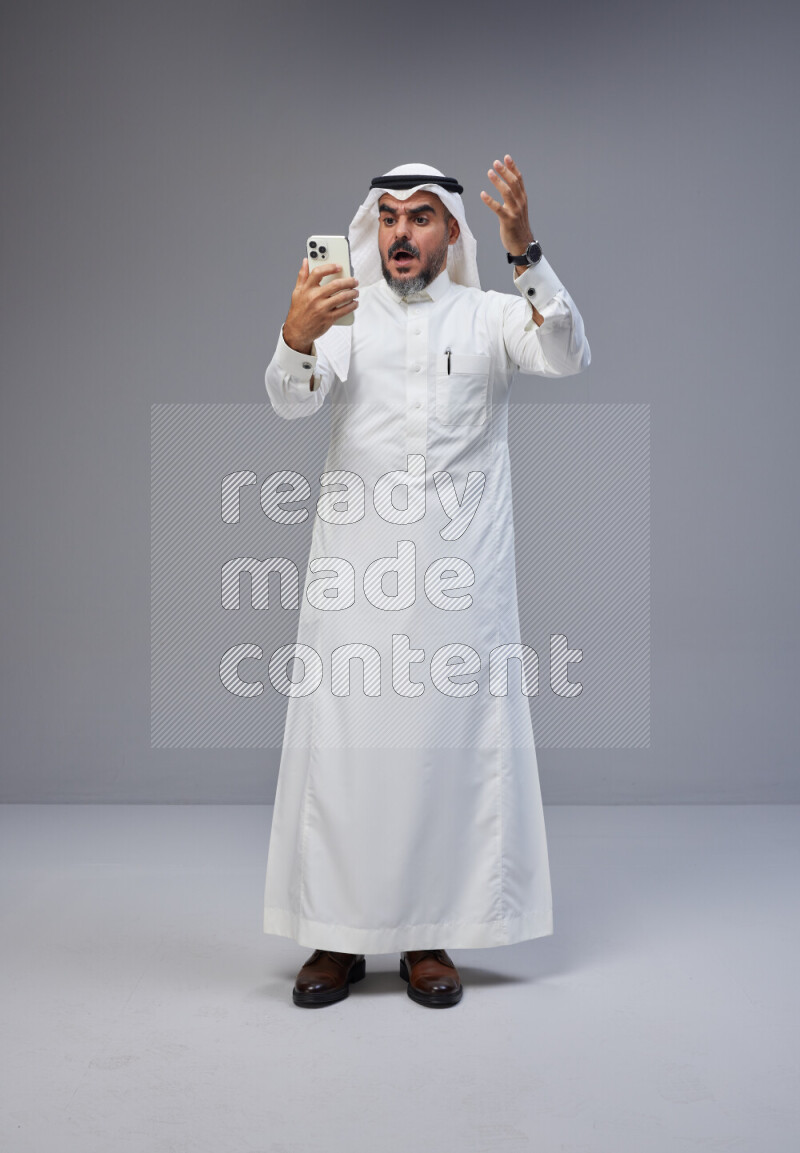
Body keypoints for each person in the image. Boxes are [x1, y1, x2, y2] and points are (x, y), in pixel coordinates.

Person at [262, 156, 590, 1009]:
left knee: (442, 757)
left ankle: (426, 935)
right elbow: (292, 400)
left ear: (451, 230)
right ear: (375, 229)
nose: (403, 231)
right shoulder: (344, 312)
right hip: (354, 573)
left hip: (459, 582)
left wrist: (527, 253)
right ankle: (334, 939)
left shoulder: (488, 316)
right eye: (391, 217)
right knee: (346, 753)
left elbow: (565, 351)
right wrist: (297, 335)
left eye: (422, 216)